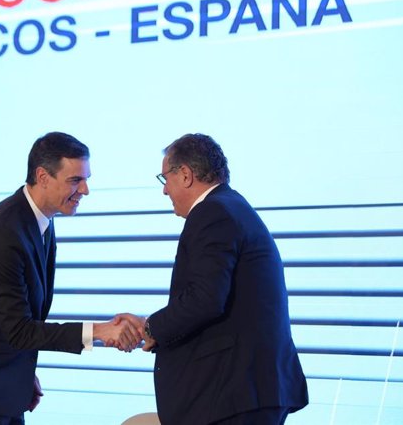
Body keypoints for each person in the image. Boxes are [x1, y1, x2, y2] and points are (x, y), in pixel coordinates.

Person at [0, 131, 140, 425]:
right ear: (42, 177)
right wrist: (100, 332)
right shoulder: (3, 233)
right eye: (75, 180)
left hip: (5, 380)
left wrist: (22, 374)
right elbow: (20, 330)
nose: (86, 190)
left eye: (86, 179)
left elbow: (17, 320)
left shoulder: (39, 220)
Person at [119, 133, 308, 425]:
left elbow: (205, 298)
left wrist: (151, 328)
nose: (165, 191)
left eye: (165, 178)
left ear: (185, 175)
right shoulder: (231, 207)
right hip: (246, 392)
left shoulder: (213, 213)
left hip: (236, 395)